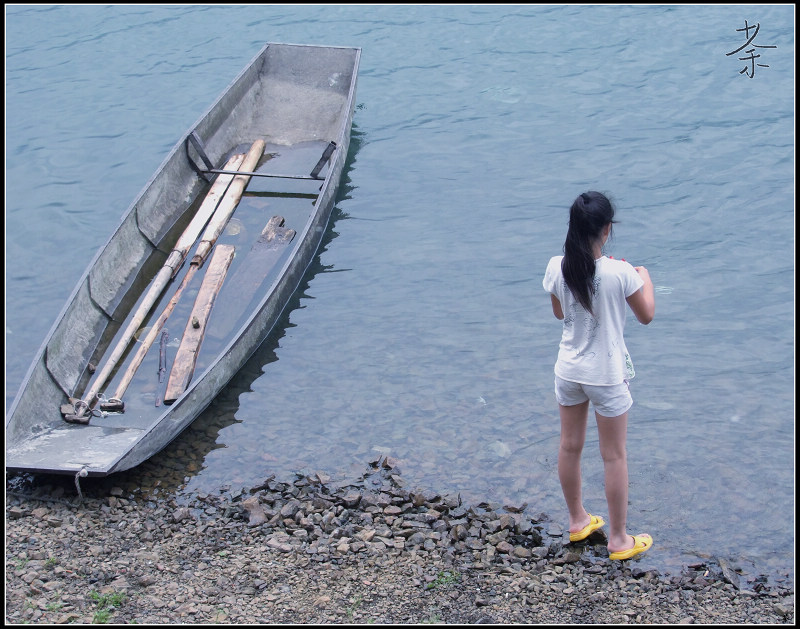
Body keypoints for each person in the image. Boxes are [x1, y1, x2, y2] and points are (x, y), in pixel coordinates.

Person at [542, 191, 655, 561]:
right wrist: (644, 277)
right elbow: (647, 315)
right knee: (613, 456)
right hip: (606, 374)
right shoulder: (621, 272)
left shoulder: (557, 266)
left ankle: (578, 520)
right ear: (607, 230)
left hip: (568, 370)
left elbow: (560, 313)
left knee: (569, 447)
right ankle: (620, 539)